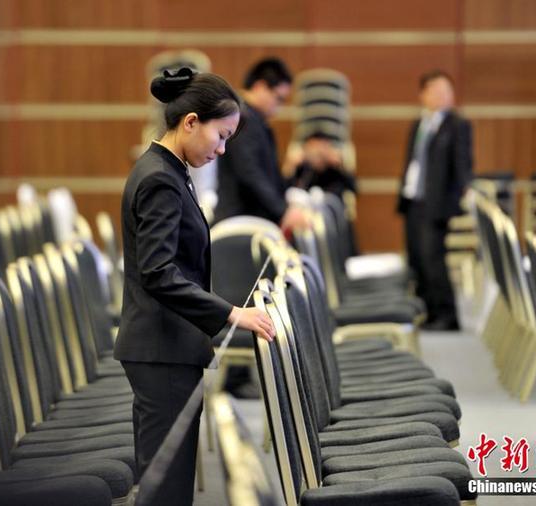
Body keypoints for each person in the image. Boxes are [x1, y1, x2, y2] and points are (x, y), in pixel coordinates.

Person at [115, 67, 275, 505]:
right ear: (190, 122)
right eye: (221, 136)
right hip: (161, 347)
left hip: (167, 345)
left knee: (168, 480)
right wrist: (231, 312)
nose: (222, 149)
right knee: (165, 487)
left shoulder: (169, 169)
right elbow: (159, 273)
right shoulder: (160, 178)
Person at [396, 70, 473, 331]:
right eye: (436, 91)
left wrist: (463, 190)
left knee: (433, 259)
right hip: (413, 199)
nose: (442, 96)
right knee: (417, 258)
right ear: (423, 94)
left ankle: (447, 315)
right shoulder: (419, 123)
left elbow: (463, 163)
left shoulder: (457, 125)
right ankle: (427, 311)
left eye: (446, 91)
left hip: (437, 203)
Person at [213, 57, 309, 231]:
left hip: (252, 220)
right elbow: (249, 173)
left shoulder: (255, 121)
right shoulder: (241, 118)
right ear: (260, 87)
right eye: (278, 98)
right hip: (239, 223)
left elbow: (265, 177)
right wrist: (282, 211)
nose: (279, 107)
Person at [287, 131, 358, 198]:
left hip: (331, 202)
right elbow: (285, 190)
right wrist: (290, 166)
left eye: (322, 149)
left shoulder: (334, 169)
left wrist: (340, 167)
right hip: (305, 203)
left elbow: (354, 188)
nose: (317, 154)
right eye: (313, 148)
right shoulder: (302, 169)